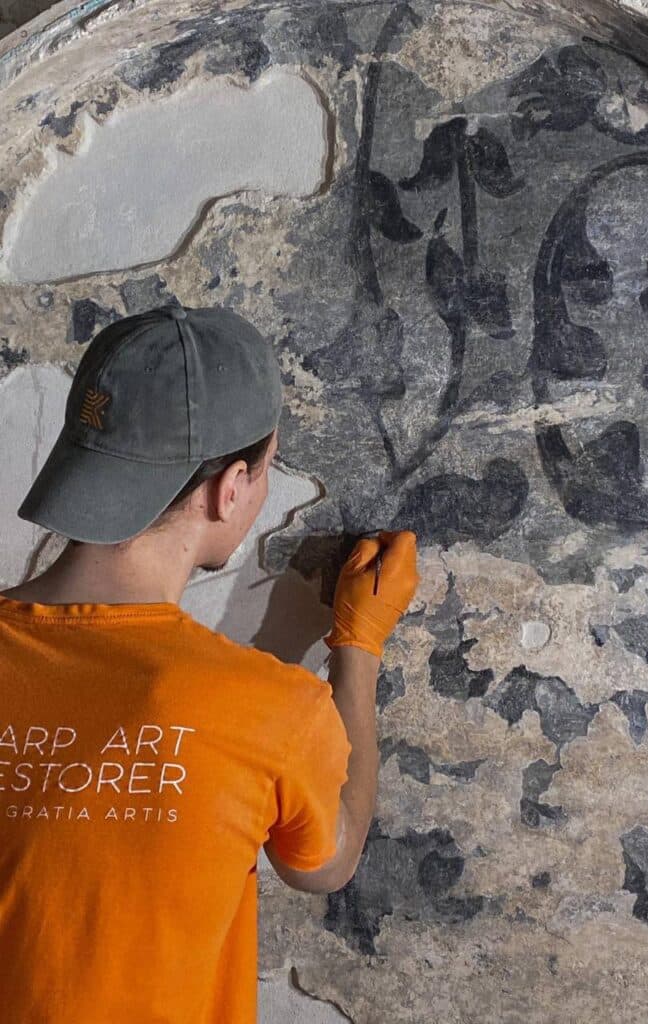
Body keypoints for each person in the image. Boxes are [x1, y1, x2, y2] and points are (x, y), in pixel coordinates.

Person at [0, 303, 420, 1022]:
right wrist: (360, 645)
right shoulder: (267, 709)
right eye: (266, 469)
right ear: (231, 488)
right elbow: (326, 861)